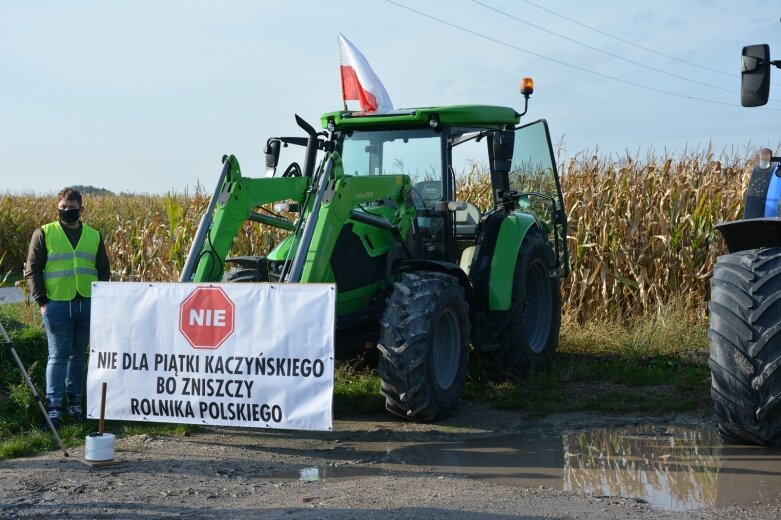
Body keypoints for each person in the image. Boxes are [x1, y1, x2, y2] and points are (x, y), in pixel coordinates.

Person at [24, 188, 111, 428]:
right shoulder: (44, 233)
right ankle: (54, 407)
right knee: (58, 356)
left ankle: (74, 404)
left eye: (72, 208)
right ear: (57, 207)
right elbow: (33, 270)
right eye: (63, 208)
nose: (67, 212)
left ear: (81, 209)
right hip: (57, 303)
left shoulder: (93, 235)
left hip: (86, 302)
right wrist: (42, 301)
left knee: (79, 357)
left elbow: (104, 269)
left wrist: (101, 300)